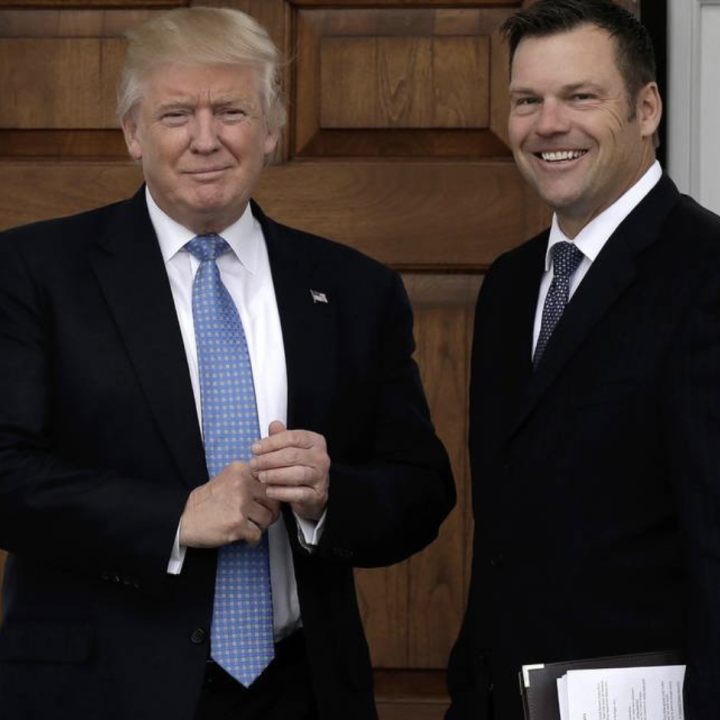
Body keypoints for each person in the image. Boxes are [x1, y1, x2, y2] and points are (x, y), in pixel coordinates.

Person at [0, 8, 455, 720]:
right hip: (100, 691)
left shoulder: (357, 288)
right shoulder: (33, 273)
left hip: (304, 691)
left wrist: (329, 496)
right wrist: (175, 517)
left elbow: (423, 490)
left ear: (270, 131)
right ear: (132, 133)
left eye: (232, 111)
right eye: (176, 113)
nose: (205, 139)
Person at [446, 1, 720, 719]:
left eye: (581, 97)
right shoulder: (509, 285)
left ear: (648, 107)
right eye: (527, 101)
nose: (548, 125)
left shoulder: (707, 273)